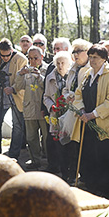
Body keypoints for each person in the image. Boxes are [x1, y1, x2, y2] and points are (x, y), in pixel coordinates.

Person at [71, 44, 109, 198]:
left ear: (104, 59)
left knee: (103, 157)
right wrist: (80, 110)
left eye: (96, 58)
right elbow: (78, 94)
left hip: (103, 122)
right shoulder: (87, 73)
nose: (92, 60)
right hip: (86, 122)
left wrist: (93, 114)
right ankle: (91, 187)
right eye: (90, 57)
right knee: (89, 154)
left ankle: (104, 190)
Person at [0, 38, 28, 158]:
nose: (5, 58)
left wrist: (13, 88)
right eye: (2, 56)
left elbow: (23, 80)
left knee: (18, 126)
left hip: (16, 97)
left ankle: (14, 155)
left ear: (12, 51)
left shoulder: (21, 59)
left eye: (8, 55)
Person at [14, 46, 48, 169]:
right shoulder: (26, 69)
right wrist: (20, 74)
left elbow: (47, 86)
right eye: (30, 58)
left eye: (35, 58)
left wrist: (39, 76)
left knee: (46, 137)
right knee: (31, 137)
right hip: (29, 108)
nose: (32, 61)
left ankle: (49, 161)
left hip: (43, 109)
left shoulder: (47, 69)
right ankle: (35, 161)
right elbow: (18, 86)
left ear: (42, 57)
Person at [44, 51, 74, 181]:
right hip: (55, 116)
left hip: (69, 115)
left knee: (70, 144)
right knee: (58, 145)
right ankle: (63, 173)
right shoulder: (50, 77)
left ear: (69, 64)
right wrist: (52, 106)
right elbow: (45, 97)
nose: (60, 66)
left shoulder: (72, 77)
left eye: (63, 63)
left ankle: (71, 173)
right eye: (58, 63)